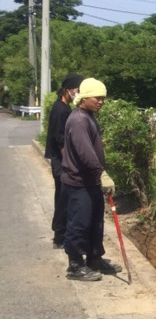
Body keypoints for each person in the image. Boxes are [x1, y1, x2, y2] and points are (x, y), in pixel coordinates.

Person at [60, 78, 122, 281]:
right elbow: (85, 152)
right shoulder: (78, 120)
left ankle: (94, 258)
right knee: (79, 223)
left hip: (90, 181)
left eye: (103, 98)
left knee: (95, 222)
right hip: (78, 183)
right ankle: (75, 265)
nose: (101, 101)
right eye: (97, 98)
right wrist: (101, 173)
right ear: (84, 98)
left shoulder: (88, 116)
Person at [44, 73, 84, 248]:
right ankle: (59, 235)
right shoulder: (61, 109)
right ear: (68, 90)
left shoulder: (62, 107)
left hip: (61, 160)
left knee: (63, 197)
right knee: (63, 198)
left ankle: (62, 233)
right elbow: (60, 139)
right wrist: (68, 161)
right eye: (77, 90)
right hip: (61, 162)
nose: (78, 93)